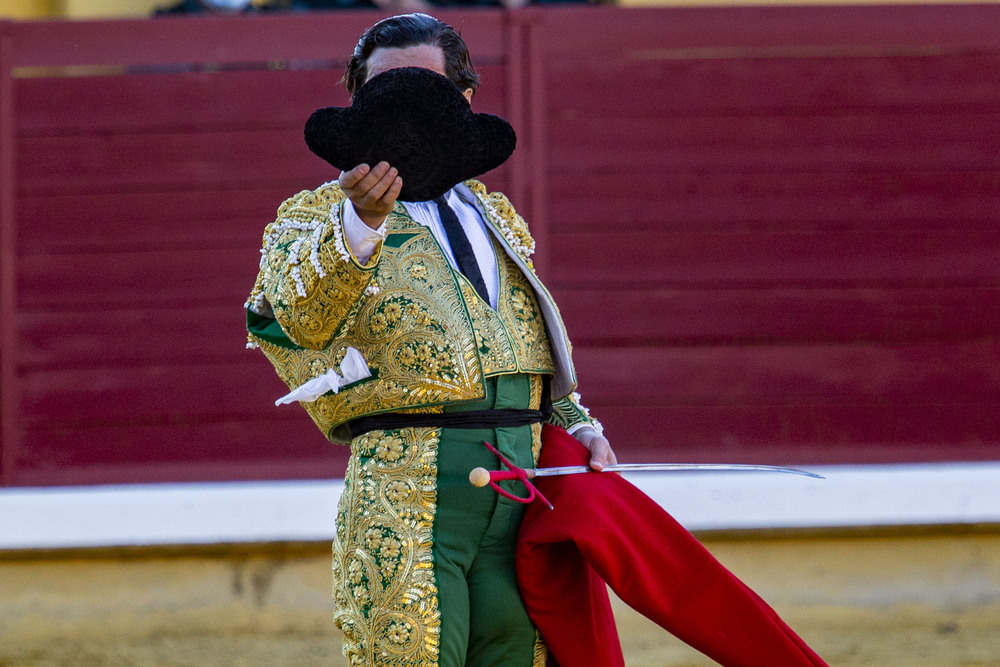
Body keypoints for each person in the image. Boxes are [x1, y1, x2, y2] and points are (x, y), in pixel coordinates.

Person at [246, 13, 614, 666]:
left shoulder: (495, 216)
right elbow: (294, 319)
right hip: (405, 499)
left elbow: (524, 345)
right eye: (387, 94)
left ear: (464, 100)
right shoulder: (315, 216)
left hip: (522, 501)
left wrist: (575, 423)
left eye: (422, 90)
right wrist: (358, 223)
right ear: (359, 103)